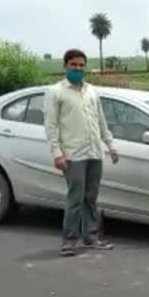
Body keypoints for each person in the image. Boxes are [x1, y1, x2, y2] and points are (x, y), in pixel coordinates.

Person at [44, 49, 119, 257]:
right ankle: (69, 241)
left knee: (91, 198)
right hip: (73, 154)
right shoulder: (56, 92)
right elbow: (51, 126)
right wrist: (57, 153)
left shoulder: (92, 91)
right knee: (75, 198)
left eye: (81, 65)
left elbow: (101, 121)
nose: (77, 69)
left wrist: (110, 145)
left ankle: (91, 237)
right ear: (65, 66)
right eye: (73, 65)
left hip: (94, 152)